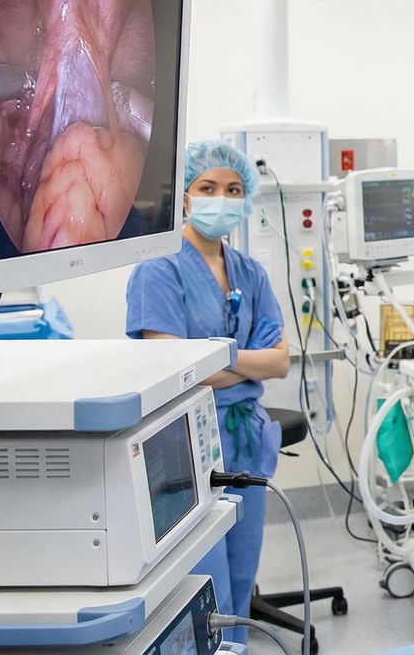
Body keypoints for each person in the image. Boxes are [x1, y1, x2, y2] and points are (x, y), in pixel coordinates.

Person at [126, 139, 289, 638]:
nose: (222, 197)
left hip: (246, 438)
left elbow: (280, 361)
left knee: (242, 575)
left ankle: (237, 648)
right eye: (208, 187)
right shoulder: (158, 268)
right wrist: (244, 362)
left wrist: (215, 359)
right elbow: (175, 370)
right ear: (184, 195)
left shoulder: (249, 271)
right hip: (188, 443)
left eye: (234, 188)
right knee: (203, 581)